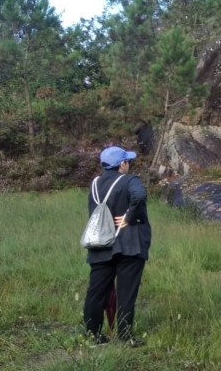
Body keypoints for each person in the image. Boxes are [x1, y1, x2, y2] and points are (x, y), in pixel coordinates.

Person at [83, 146, 151, 346]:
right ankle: (125, 336)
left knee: (96, 292)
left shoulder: (95, 184)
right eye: (127, 161)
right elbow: (139, 196)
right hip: (128, 246)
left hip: (100, 244)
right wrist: (129, 218)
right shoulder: (130, 180)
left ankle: (93, 336)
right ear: (122, 164)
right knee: (126, 293)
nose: (128, 164)